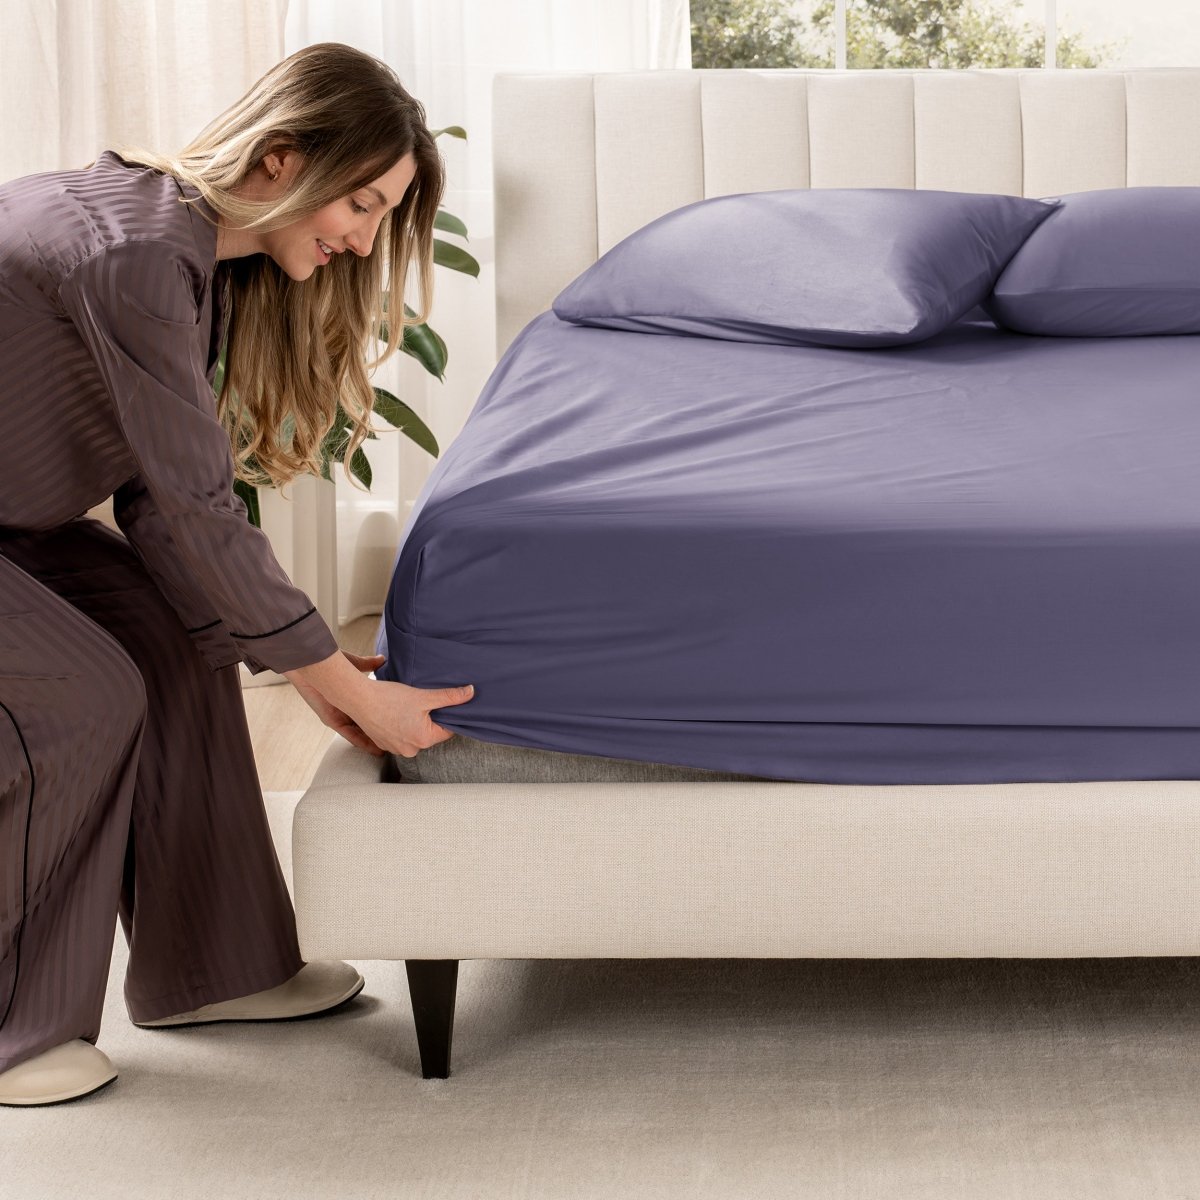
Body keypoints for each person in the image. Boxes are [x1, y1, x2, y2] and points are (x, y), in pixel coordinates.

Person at [0, 42, 475, 1106]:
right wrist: (347, 693)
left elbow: (161, 508)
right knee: (82, 696)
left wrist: (306, 660)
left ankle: (215, 967)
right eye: (359, 205)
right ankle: (14, 1029)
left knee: (180, 636)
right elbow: (196, 509)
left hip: (16, 526)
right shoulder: (130, 254)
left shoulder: (186, 258)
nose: (360, 242)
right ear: (279, 158)